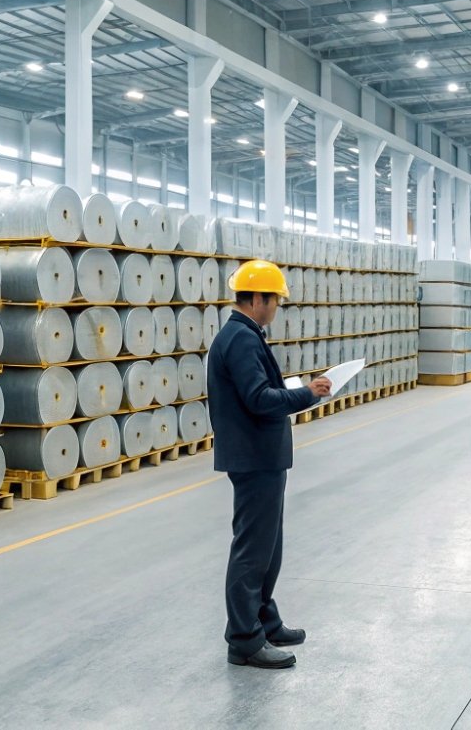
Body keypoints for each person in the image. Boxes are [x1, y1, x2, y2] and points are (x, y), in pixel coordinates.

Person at [208, 258, 332, 670]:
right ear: (257, 298)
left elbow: (259, 391)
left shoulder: (245, 334)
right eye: (275, 300)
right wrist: (307, 394)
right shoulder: (240, 339)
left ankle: (264, 620)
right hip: (253, 457)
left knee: (268, 549)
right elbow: (259, 399)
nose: (277, 307)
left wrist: (295, 391)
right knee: (252, 551)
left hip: (260, 456)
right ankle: (243, 639)